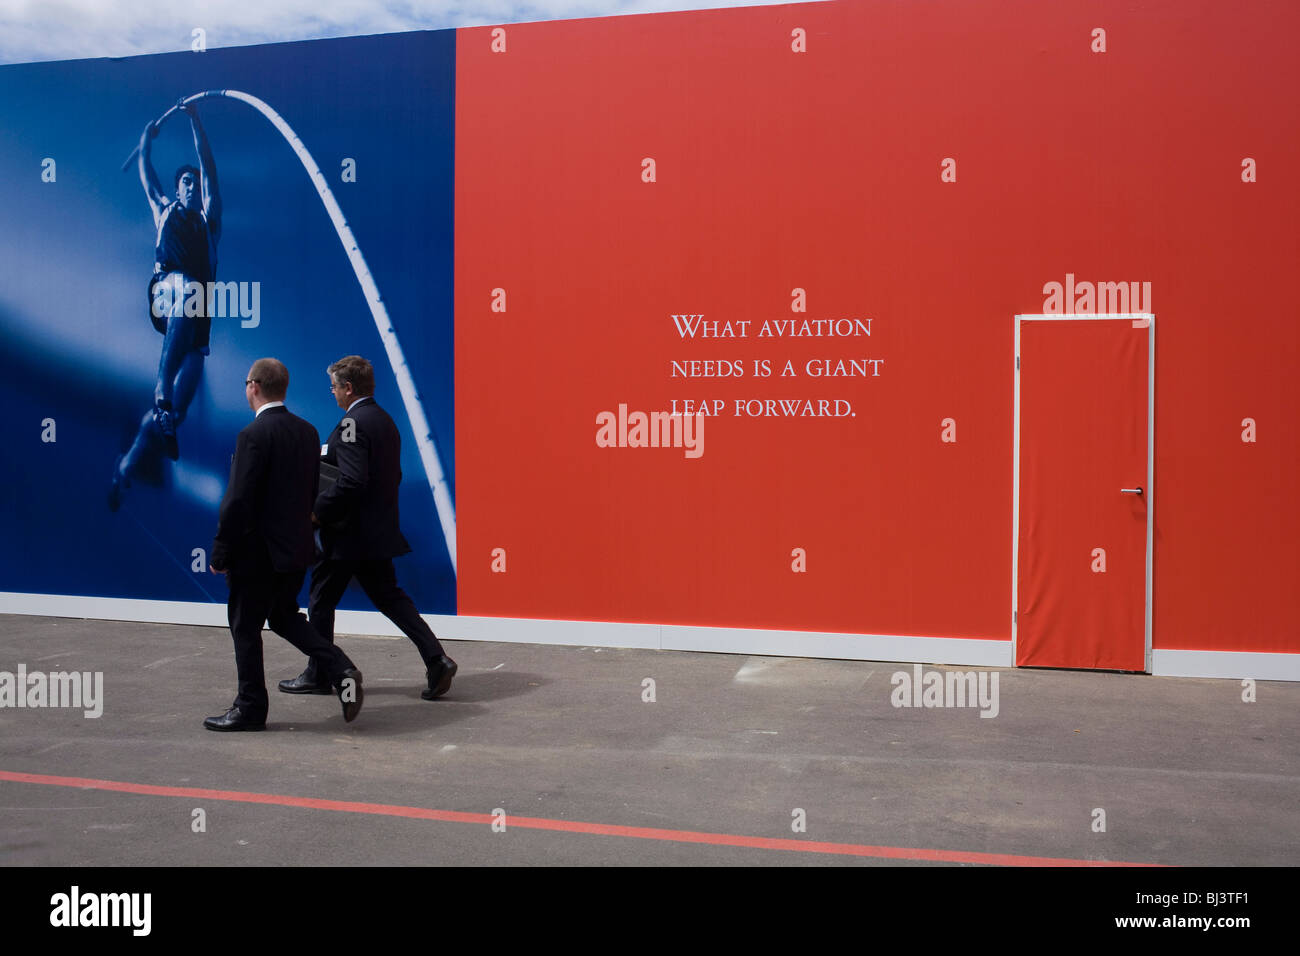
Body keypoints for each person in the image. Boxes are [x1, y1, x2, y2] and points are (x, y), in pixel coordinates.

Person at [277, 355, 457, 700]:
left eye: (333, 386)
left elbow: (352, 481)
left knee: (320, 599)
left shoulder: (352, 423)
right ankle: (437, 659)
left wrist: (316, 512)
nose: (331, 393)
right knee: (390, 598)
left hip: (347, 535)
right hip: (376, 532)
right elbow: (392, 476)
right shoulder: (384, 420)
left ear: (347, 388)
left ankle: (319, 672)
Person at [206, 358, 364, 731]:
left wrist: (221, 552)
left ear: (254, 386)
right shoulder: (307, 432)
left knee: (245, 627)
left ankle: (250, 708)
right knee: (282, 617)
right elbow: (312, 491)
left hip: (256, 555)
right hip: (295, 550)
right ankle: (341, 668)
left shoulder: (252, 436)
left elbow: (237, 501)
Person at [109, 100, 221, 510]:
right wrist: (145, 139)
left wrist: (196, 121)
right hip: (168, 290)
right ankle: (161, 392)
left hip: (198, 316)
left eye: (195, 183)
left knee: (179, 409)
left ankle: (126, 468)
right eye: (186, 183)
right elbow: (146, 172)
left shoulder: (211, 223)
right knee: (189, 288)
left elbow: (208, 167)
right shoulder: (163, 209)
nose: (193, 186)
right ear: (178, 190)